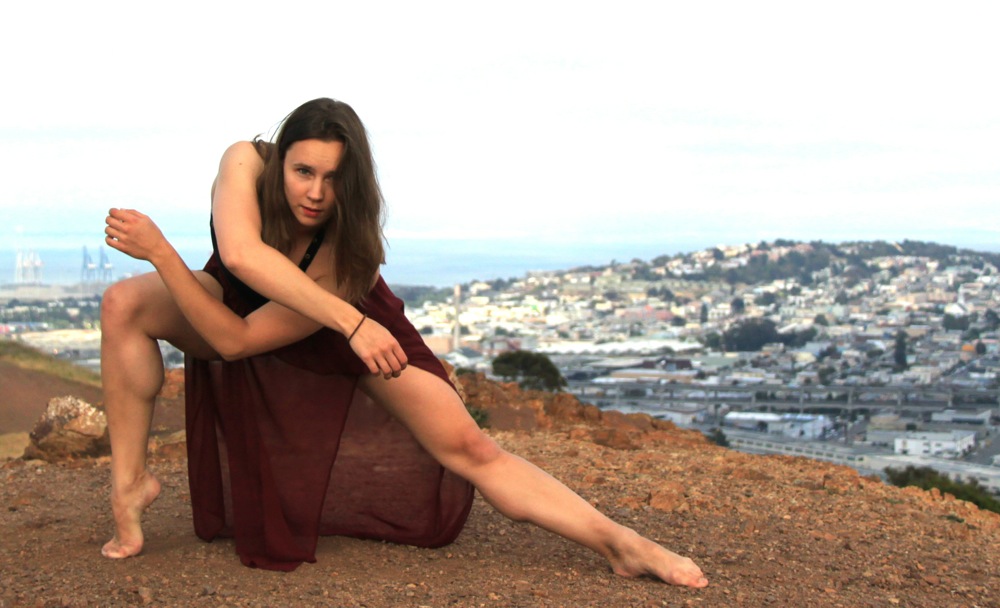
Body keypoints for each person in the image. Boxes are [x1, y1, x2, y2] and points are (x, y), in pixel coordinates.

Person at [100, 98, 708, 587]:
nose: (315, 193)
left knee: (470, 447)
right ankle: (129, 486)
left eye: (333, 179)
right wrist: (162, 255)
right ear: (280, 159)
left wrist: (353, 323)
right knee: (124, 303)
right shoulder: (244, 161)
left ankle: (621, 543)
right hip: (251, 302)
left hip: (338, 325)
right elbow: (238, 258)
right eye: (303, 171)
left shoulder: (349, 259)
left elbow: (237, 343)